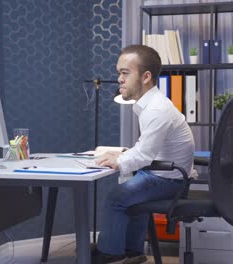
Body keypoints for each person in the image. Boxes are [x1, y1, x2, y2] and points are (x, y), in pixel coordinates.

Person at [92, 44, 195, 264]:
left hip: (170, 180)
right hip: (169, 174)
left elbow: (145, 156)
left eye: (125, 73)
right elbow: (146, 148)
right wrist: (123, 156)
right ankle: (132, 252)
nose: (119, 78)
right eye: (119, 72)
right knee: (131, 194)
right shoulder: (152, 105)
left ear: (146, 76)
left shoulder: (156, 110)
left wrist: (118, 161)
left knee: (116, 198)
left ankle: (110, 256)